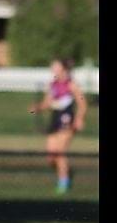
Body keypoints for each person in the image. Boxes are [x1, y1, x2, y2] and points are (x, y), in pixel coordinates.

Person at [29, 58, 87, 194]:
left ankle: (64, 182)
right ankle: (65, 172)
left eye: (55, 65)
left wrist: (79, 119)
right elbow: (47, 103)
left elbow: (82, 103)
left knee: (60, 152)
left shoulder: (72, 84)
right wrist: (37, 108)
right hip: (54, 120)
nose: (52, 68)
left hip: (67, 121)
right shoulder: (52, 84)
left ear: (63, 68)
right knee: (51, 157)